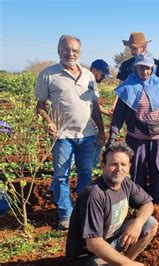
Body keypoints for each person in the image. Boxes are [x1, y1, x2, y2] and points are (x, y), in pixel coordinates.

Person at [35, 35, 105, 229]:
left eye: (74, 50)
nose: (70, 53)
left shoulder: (89, 76)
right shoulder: (48, 75)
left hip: (87, 134)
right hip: (62, 136)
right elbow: (40, 106)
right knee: (60, 176)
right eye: (66, 49)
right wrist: (48, 121)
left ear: (80, 52)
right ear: (59, 50)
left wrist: (101, 130)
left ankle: (83, 211)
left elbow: (95, 106)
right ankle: (66, 215)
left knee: (85, 173)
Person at [66, 141, 158, 266]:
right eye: (114, 164)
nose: (119, 169)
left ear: (129, 167)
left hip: (111, 242)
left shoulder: (125, 182)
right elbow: (93, 243)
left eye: (123, 164)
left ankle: (125, 260)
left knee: (149, 223)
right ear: (103, 166)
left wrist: (138, 223)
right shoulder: (94, 194)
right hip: (87, 255)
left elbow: (148, 204)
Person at [108, 53, 159, 204]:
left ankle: (157, 200)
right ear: (136, 67)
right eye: (141, 67)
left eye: (148, 68)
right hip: (137, 137)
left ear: (152, 68)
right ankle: (138, 201)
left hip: (157, 137)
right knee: (137, 169)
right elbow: (119, 115)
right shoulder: (127, 87)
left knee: (156, 168)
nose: (145, 71)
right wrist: (113, 135)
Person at [110, 32, 159, 113]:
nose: (132, 51)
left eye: (134, 48)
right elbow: (121, 86)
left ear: (144, 47)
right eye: (131, 48)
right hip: (131, 104)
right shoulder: (126, 65)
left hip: (152, 106)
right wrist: (114, 104)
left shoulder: (156, 64)